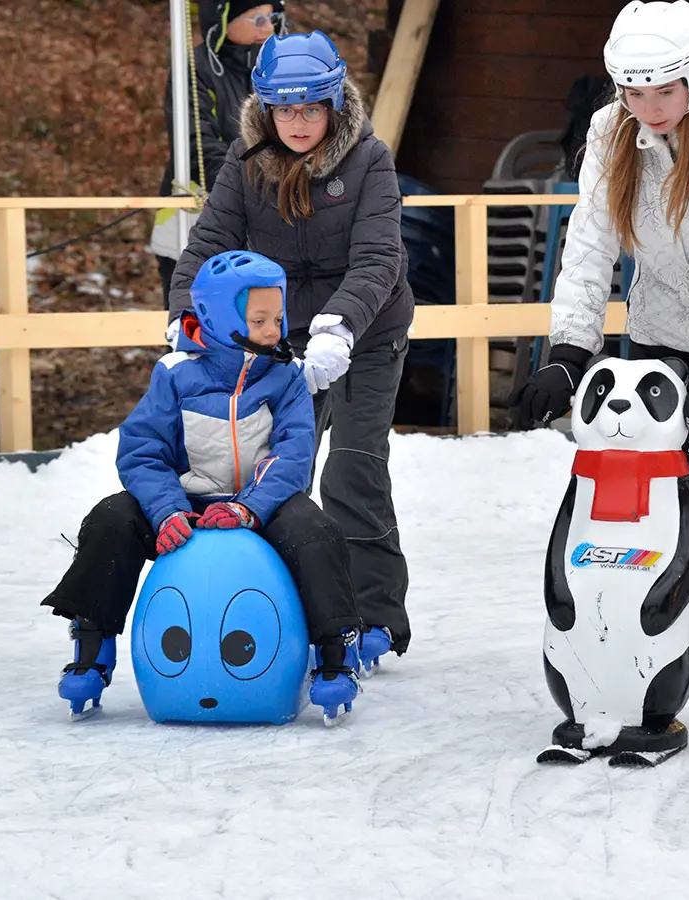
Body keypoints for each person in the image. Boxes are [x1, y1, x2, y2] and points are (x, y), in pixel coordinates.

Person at [509, 0, 689, 736]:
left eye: (662, 93)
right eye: (633, 94)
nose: (649, 109)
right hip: (662, 328)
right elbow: (586, 251)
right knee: (631, 501)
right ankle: (622, 664)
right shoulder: (611, 133)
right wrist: (567, 355)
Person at [167, 31, 415, 671]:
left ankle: (375, 615)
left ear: (334, 105)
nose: (298, 123)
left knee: (353, 469)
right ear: (267, 109)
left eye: (311, 109)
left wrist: (340, 327)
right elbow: (206, 245)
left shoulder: (368, 161)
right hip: (278, 339)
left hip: (365, 334)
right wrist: (183, 317)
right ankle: (286, 607)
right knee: (279, 478)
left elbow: (380, 257)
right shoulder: (245, 164)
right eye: (285, 110)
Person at [43, 251, 362, 722]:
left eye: (279, 317)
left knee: (314, 531)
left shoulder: (286, 377)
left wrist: (248, 508)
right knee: (111, 518)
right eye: (260, 320)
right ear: (220, 318)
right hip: (185, 507)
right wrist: (167, 511)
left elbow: (294, 455)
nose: (275, 330)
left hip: (260, 507)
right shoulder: (175, 374)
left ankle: (336, 653)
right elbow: (142, 451)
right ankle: (92, 643)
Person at [150, 2, 285, 301]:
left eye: (273, 18)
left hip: (271, 222)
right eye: (258, 19)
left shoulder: (284, 69)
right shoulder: (198, 68)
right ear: (223, 22)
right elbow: (197, 144)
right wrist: (258, 186)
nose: (268, 27)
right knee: (197, 323)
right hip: (198, 221)